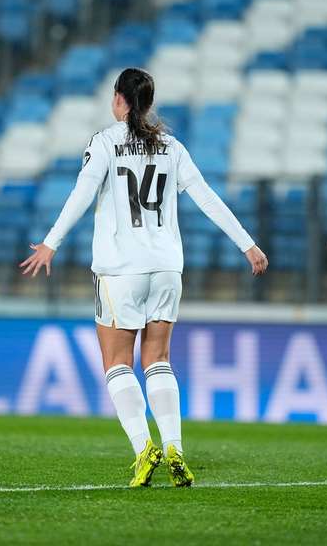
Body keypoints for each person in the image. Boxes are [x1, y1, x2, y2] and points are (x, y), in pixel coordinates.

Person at [20, 68, 268, 488]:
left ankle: (143, 448)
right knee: (159, 360)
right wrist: (247, 244)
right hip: (167, 268)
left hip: (121, 270)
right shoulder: (171, 146)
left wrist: (50, 243)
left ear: (119, 99)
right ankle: (174, 447)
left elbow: (82, 192)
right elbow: (205, 195)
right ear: (147, 104)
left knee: (118, 363)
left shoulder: (104, 142)